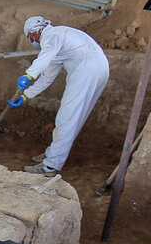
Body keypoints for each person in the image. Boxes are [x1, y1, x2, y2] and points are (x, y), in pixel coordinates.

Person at [11, 16, 110, 176]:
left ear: (34, 33)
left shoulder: (52, 36)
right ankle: (53, 153)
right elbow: (47, 77)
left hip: (87, 68)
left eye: (29, 38)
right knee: (75, 117)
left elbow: (43, 57)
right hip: (100, 67)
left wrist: (29, 75)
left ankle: (50, 166)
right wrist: (26, 96)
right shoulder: (57, 46)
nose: (31, 41)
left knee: (67, 117)